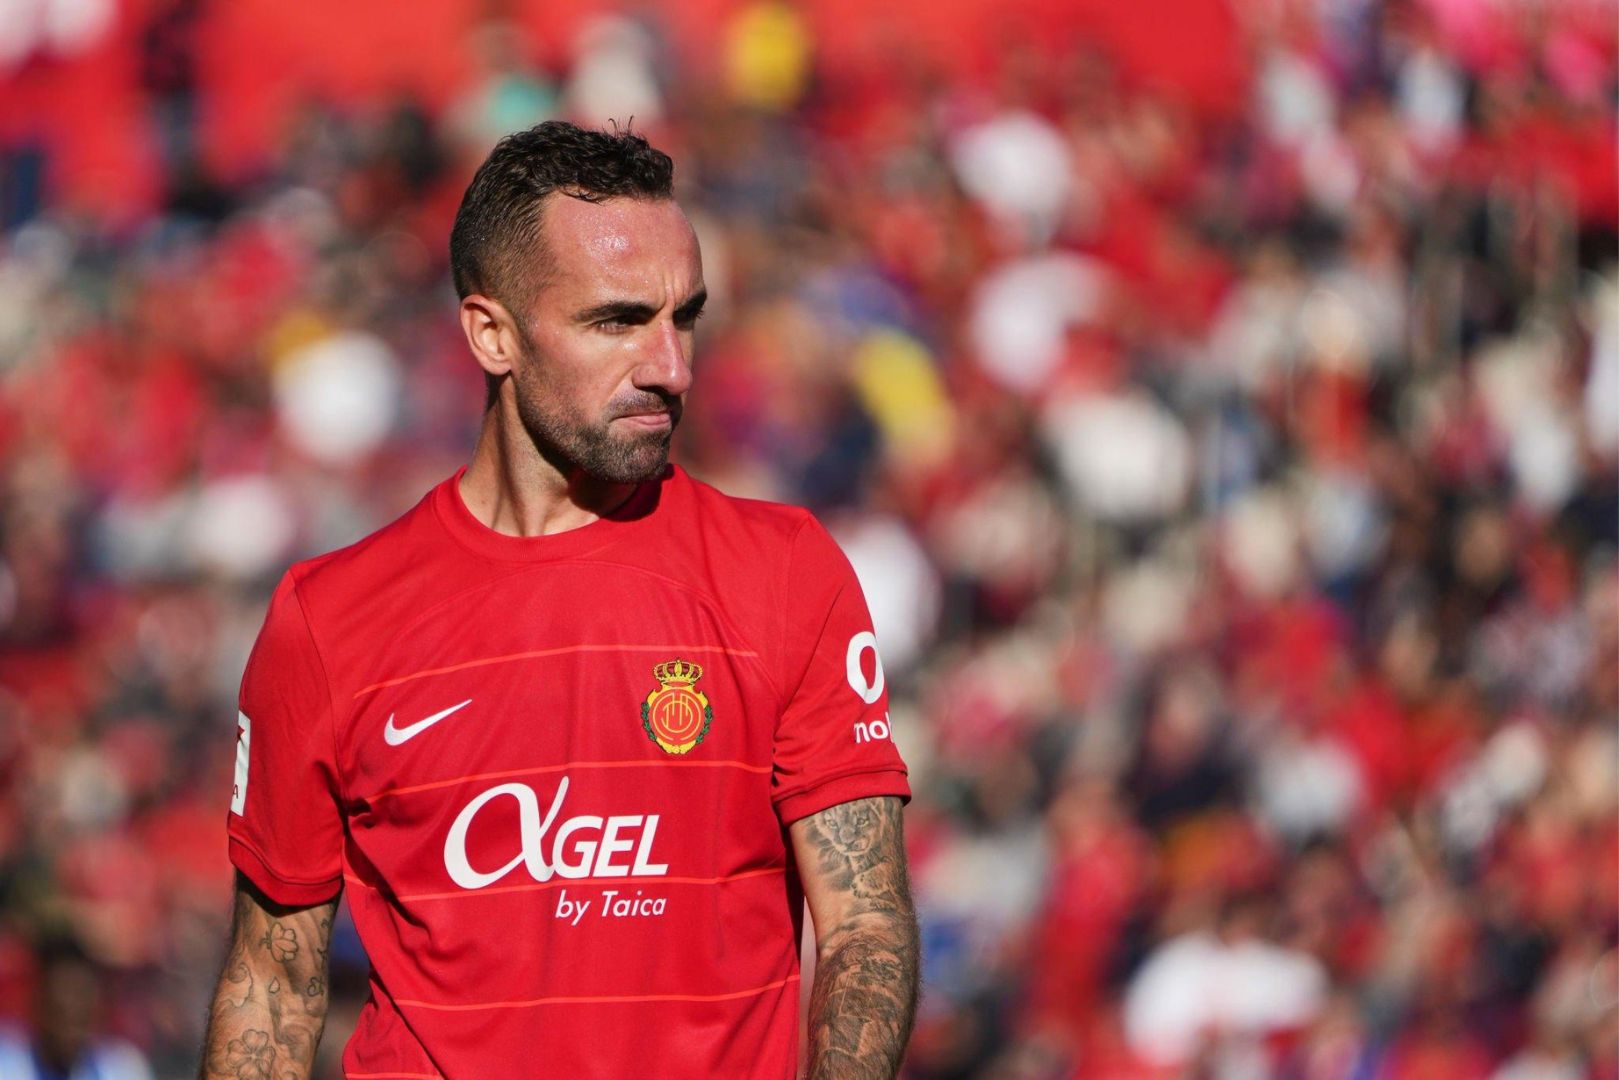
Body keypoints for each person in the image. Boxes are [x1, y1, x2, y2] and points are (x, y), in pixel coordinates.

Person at [197, 121, 919, 1079]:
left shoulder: (785, 573)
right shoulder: (328, 620)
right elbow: (273, 983)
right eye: (617, 321)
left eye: (685, 317)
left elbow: (865, 926)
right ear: (491, 333)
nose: (672, 366)